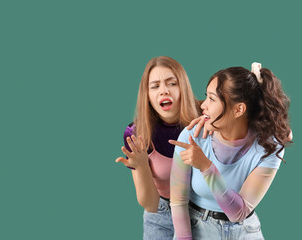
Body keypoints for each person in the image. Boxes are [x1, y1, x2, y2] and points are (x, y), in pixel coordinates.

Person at [169, 63, 292, 240]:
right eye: (207, 97)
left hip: (245, 231)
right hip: (198, 229)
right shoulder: (192, 135)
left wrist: (206, 167)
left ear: (239, 109)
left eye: (212, 99)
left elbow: (238, 213)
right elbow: (178, 201)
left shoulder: (269, 147)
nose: (203, 105)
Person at [115, 56, 203, 240]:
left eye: (171, 83)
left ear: (183, 87)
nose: (164, 91)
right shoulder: (136, 133)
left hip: (204, 214)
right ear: (146, 94)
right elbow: (150, 205)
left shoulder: (205, 117)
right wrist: (141, 167)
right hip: (162, 218)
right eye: (155, 86)